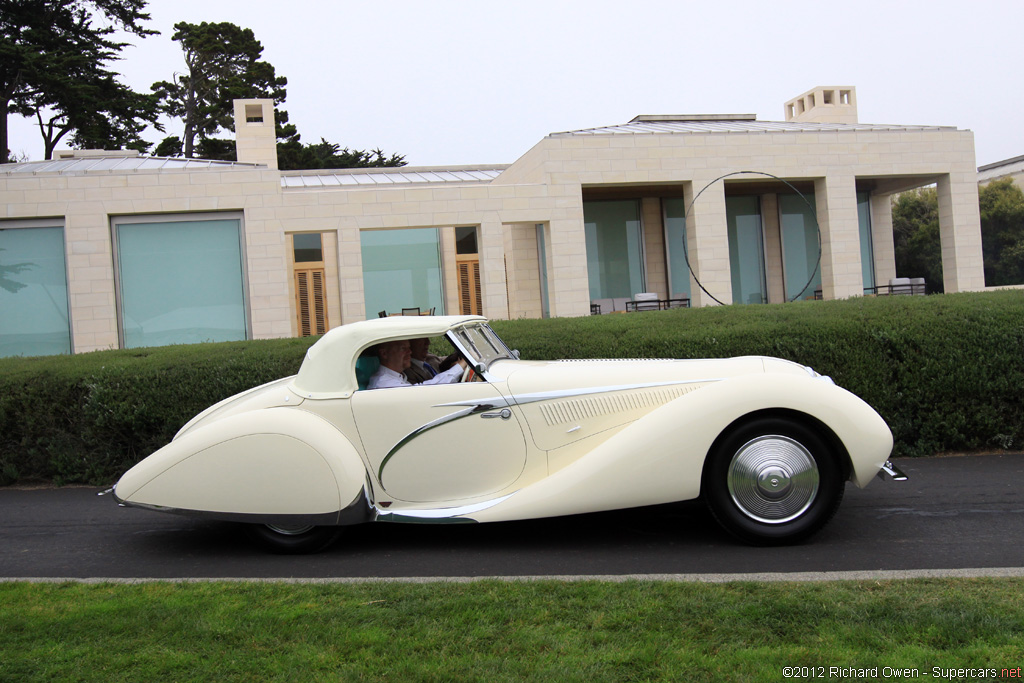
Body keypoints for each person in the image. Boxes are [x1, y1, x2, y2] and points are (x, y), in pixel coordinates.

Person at [368, 339, 466, 389]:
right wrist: (461, 365)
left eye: (409, 348)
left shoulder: (396, 377)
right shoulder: (385, 383)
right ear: (384, 353)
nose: (410, 352)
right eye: (403, 349)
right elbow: (426, 390)